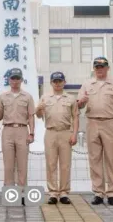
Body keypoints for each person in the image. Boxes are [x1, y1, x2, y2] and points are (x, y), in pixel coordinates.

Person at [77, 57, 113, 206]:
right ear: (94, 68)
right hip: (92, 123)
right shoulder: (86, 84)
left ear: (107, 68)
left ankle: (111, 193)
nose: (99, 69)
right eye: (97, 66)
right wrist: (81, 102)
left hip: (111, 123)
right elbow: (78, 105)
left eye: (102, 66)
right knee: (94, 159)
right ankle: (98, 192)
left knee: (111, 160)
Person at [36, 71, 78, 205]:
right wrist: (38, 109)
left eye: (60, 81)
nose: (58, 84)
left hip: (66, 132)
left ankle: (64, 192)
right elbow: (38, 116)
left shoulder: (70, 98)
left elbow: (75, 117)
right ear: (51, 83)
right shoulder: (45, 97)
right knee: (51, 164)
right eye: (55, 81)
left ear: (64, 82)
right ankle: (53, 193)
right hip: (51, 133)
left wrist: (75, 134)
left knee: (65, 164)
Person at [0, 68, 35, 206]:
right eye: (12, 78)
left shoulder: (27, 97)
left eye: (17, 78)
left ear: (21, 80)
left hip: (22, 130)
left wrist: (32, 133)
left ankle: (23, 193)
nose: (15, 81)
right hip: (7, 130)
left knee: (22, 164)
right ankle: (10, 195)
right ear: (9, 79)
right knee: (8, 165)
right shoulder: (2, 97)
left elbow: (31, 116)